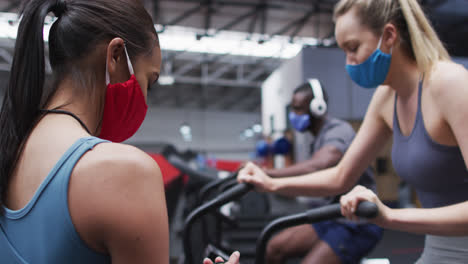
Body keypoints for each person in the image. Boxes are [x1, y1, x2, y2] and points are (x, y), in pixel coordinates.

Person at [0, 0, 239, 263]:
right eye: (149, 80)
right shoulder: (126, 172)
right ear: (115, 56)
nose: (145, 100)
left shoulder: (10, 148)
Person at [238, 0, 468, 263]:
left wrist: (389, 216)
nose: (349, 62)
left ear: (389, 36)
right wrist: (271, 183)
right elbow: (341, 176)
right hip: (438, 250)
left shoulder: (450, 84)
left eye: (353, 48)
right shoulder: (386, 98)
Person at [263, 80, 382, 264]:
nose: (294, 115)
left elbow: (318, 165)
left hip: (356, 223)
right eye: (293, 109)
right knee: (273, 248)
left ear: (317, 108)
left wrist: (267, 175)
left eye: (299, 109)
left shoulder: (338, 131)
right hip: (331, 216)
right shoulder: (317, 137)